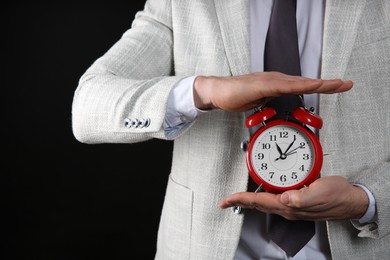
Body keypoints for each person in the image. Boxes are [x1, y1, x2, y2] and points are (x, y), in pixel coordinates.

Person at [71, 0, 390, 259]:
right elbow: (88, 106)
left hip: (362, 245)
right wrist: (201, 92)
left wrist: (368, 199)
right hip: (205, 248)